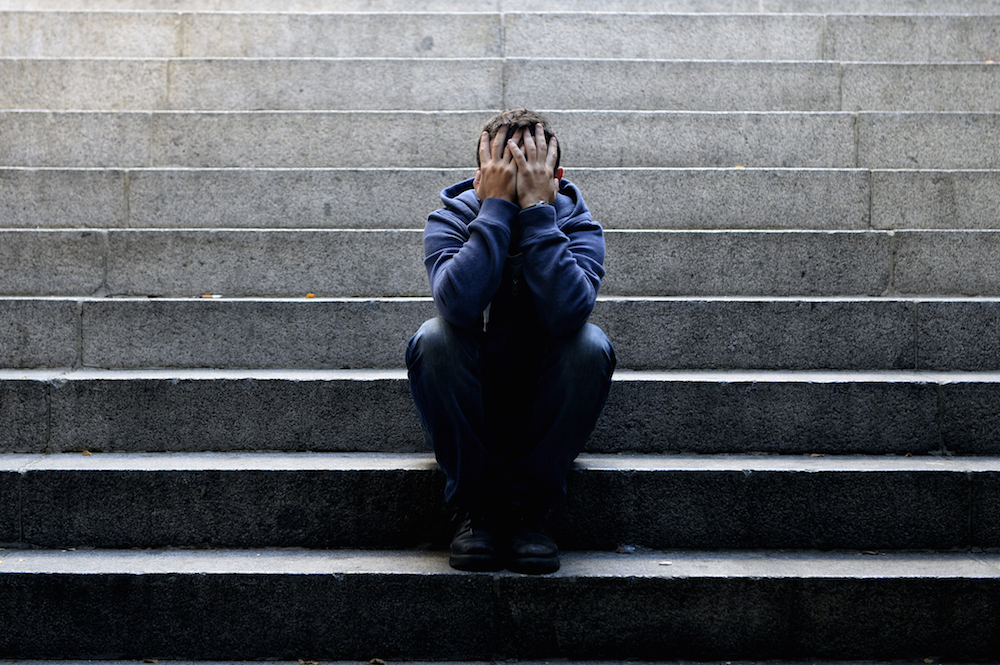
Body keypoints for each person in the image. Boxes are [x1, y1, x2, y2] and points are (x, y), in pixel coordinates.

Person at [405, 109, 616, 575]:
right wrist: (495, 208)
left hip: (543, 401)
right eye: (505, 170)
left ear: (555, 176)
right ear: (482, 175)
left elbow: (568, 314)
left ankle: (529, 510)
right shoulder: (451, 217)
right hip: (472, 400)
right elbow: (457, 307)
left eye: (532, 170)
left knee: (590, 344)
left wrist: (540, 214)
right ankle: (476, 510)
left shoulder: (578, 224)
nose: (520, 181)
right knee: (433, 338)